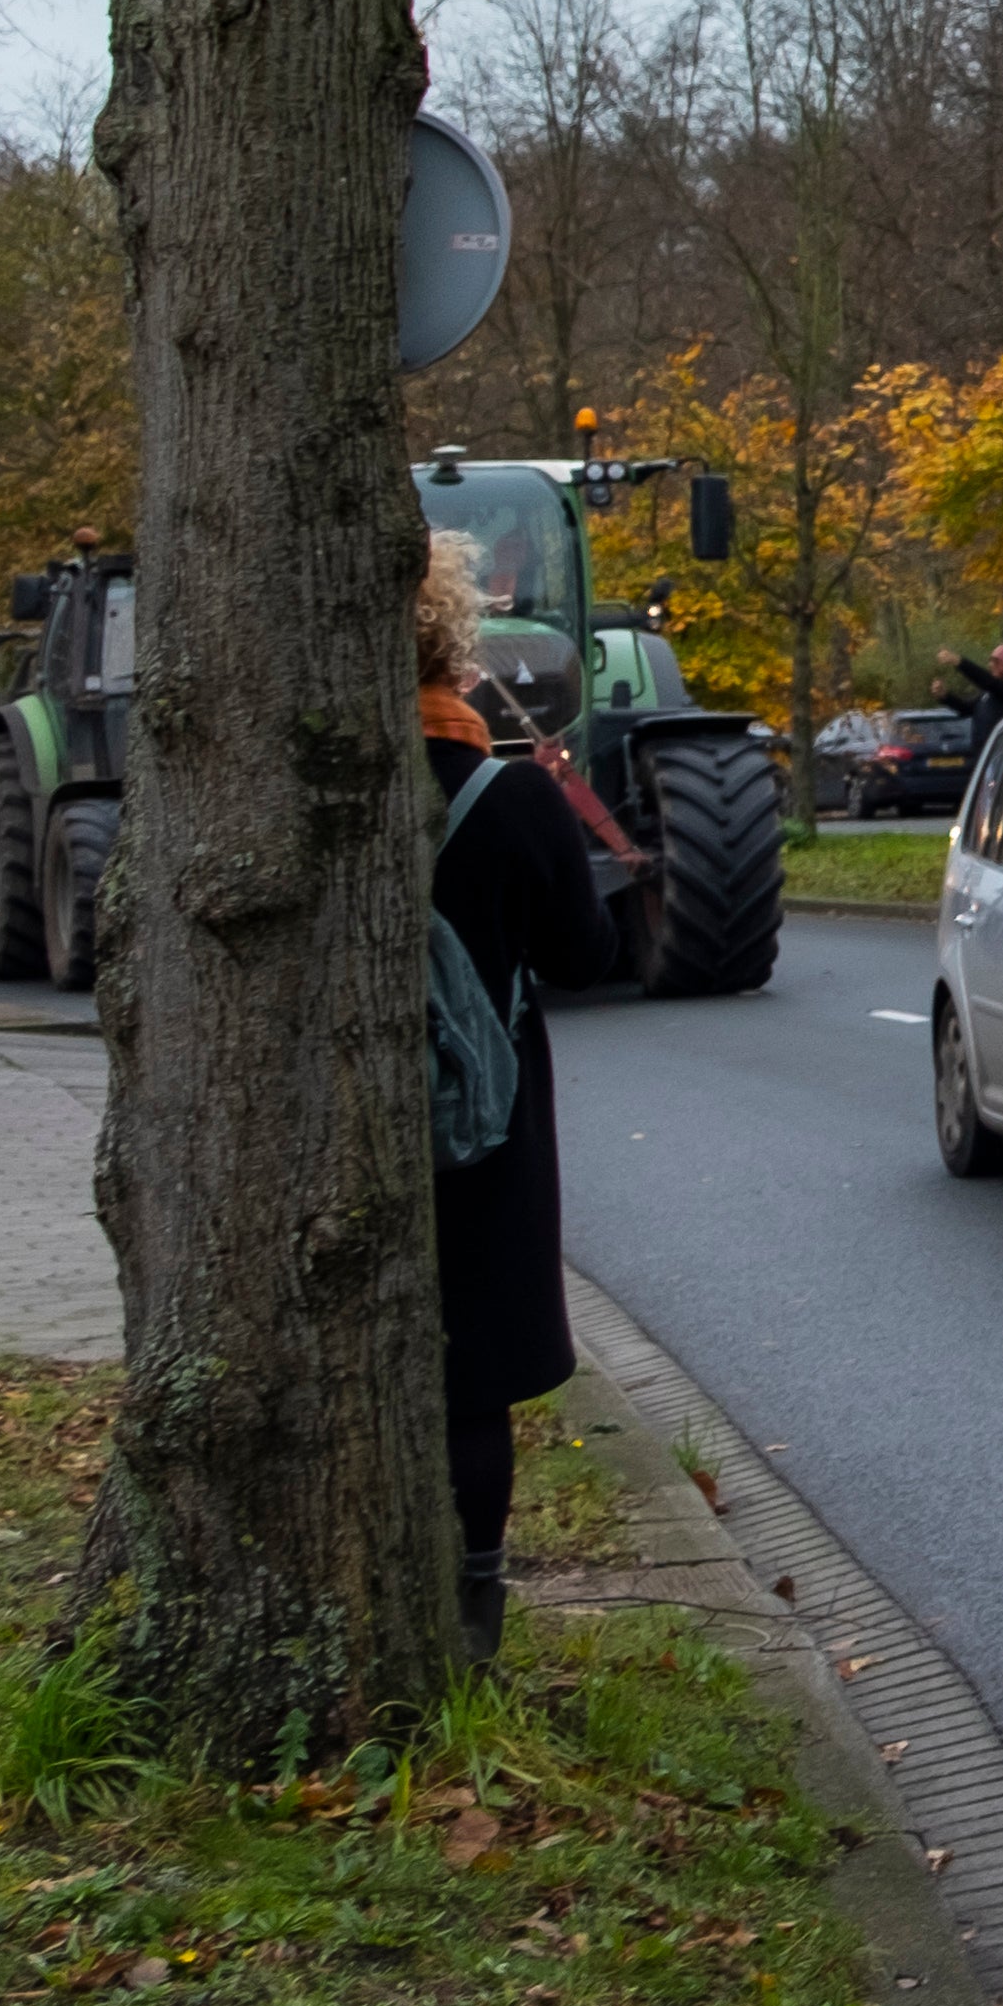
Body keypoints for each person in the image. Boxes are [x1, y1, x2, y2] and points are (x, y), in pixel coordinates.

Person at [419, 531, 615, 1664]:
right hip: (479, 1127)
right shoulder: (505, 794)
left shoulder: (288, 790)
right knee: (473, 1371)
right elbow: (583, 955)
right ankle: (474, 1607)